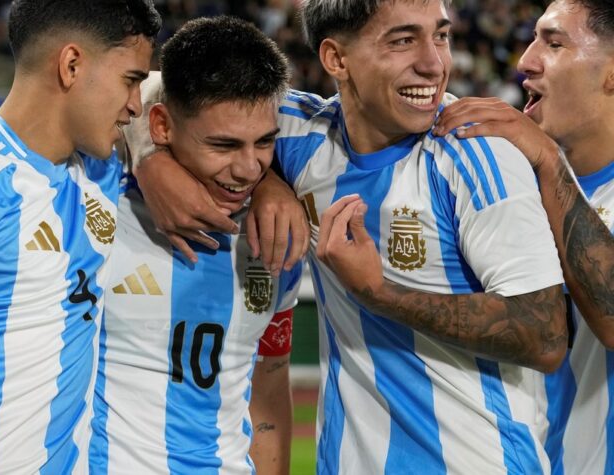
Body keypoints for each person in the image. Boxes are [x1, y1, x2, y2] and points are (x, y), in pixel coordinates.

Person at [134, 0, 569, 473]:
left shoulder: (476, 154)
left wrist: (379, 293)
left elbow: (544, 334)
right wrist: (153, 159)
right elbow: (164, 86)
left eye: (441, 36)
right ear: (336, 59)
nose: (433, 63)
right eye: (403, 40)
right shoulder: (301, 135)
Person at [0, 1, 161, 473]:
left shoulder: (100, 171)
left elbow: (208, 101)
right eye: (129, 80)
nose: (136, 105)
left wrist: (269, 188)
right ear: (71, 65)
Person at [88, 16, 301, 474]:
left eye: (264, 142)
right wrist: (146, 154)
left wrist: (274, 185)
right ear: (161, 125)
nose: (248, 168)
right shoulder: (94, 197)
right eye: (224, 145)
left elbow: (267, 384)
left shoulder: (277, 233)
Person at [434, 1, 614, 473]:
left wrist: (548, 160)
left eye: (554, 44)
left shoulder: (541, 168)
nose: (526, 61)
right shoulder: (508, 188)